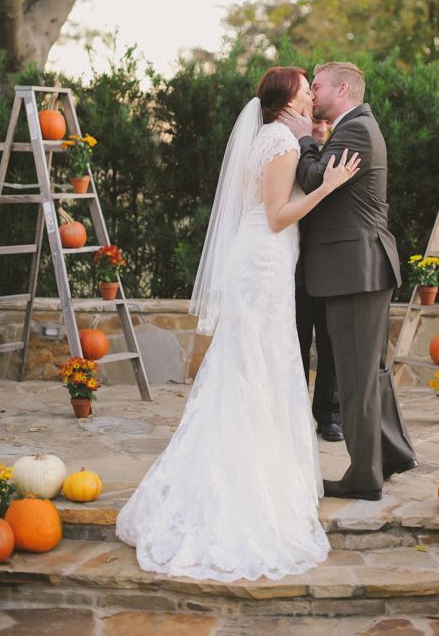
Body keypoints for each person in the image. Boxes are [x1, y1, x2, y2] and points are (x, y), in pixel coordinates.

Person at [116, 67, 359, 581]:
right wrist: (330, 185)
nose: (309, 90)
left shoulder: (278, 135)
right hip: (263, 262)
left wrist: (313, 142)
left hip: (264, 262)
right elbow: (276, 215)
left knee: (256, 366)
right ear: (289, 99)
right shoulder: (278, 142)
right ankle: (250, 480)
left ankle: (260, 469)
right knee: (257, 366)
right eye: (303, 84)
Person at [280, 61, 417, 501]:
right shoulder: (353, 127)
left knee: (357, 377)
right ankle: (392, 453)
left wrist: (304, 138)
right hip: (361, 267)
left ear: (342, 88)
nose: (311, 95)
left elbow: (316, 179)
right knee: (370, 370)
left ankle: (364, 477)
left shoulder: (355, 130)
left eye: (316, 87)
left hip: (355, 270)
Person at [296, 118, 342, 441]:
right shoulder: (294, 151)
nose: (321, 126)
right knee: (296, 339)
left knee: (329, 341)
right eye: (315, 120)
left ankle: (329, 414)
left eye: (325, 121)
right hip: (294, 261)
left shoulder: (340, 149)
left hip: (329, 264)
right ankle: (294, 412)